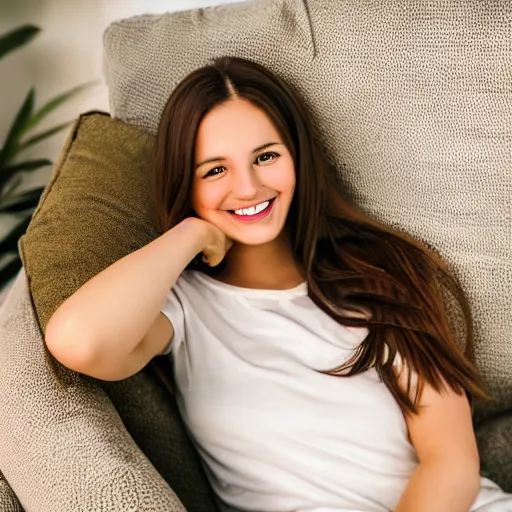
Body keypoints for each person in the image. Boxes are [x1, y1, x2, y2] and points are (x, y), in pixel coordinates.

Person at [45, 56, 512, 512]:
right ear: (185, 184)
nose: (247, 187)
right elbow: (78, 342)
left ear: (297, 158)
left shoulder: (381, 276)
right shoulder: (182, 308)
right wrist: (190, 234)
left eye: (265, 157)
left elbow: (451, 461)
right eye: (215, 170)